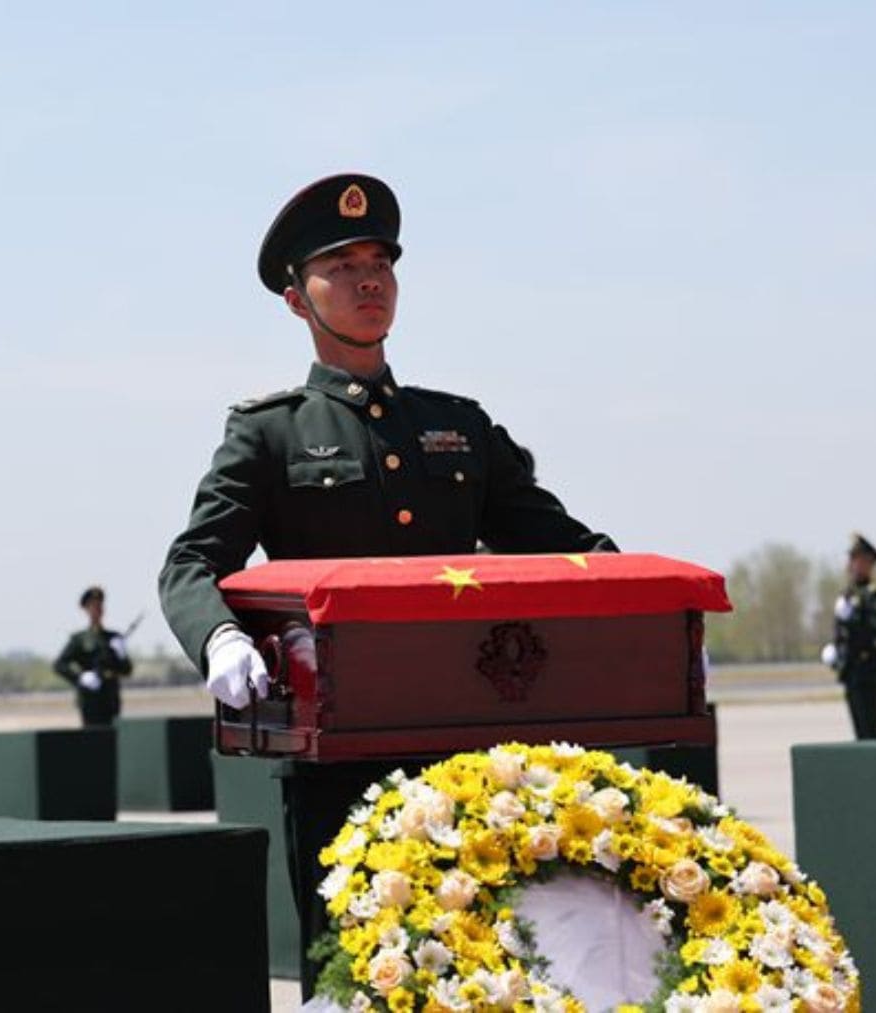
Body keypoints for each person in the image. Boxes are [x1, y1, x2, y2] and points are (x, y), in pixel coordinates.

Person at [157, 173, 616, 995]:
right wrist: (219, 637)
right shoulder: (271, 432)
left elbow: (565, 546)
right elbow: (191, 562)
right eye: (341, 264)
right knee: (355, 979)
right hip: (342, 771)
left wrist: (648, 608)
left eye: (381, 261)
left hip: (474, 761)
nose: (370, 279)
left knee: (484, 976)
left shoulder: (460, 425)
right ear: (297, 299)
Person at [822, 533, 876, 739]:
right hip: (851, 670)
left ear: (868, 563)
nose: (852, 565)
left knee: (874, 731)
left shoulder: (873, 595)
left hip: (868, 669)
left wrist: (854, 619)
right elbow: (843, 634)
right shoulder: (848, 595)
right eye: (851, 559)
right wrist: (837, 653)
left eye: (857, 559)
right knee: (860, 734)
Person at [51, 586, 133, 727]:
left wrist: (122, 654)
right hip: (90, 699)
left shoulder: (113, 637)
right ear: (86, 609)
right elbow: (59, 665)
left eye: (100, 605)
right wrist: (80, 677)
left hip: (111, 699)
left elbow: (127, 670)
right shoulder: (79, 639)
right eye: (93, 606)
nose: (98, 609)